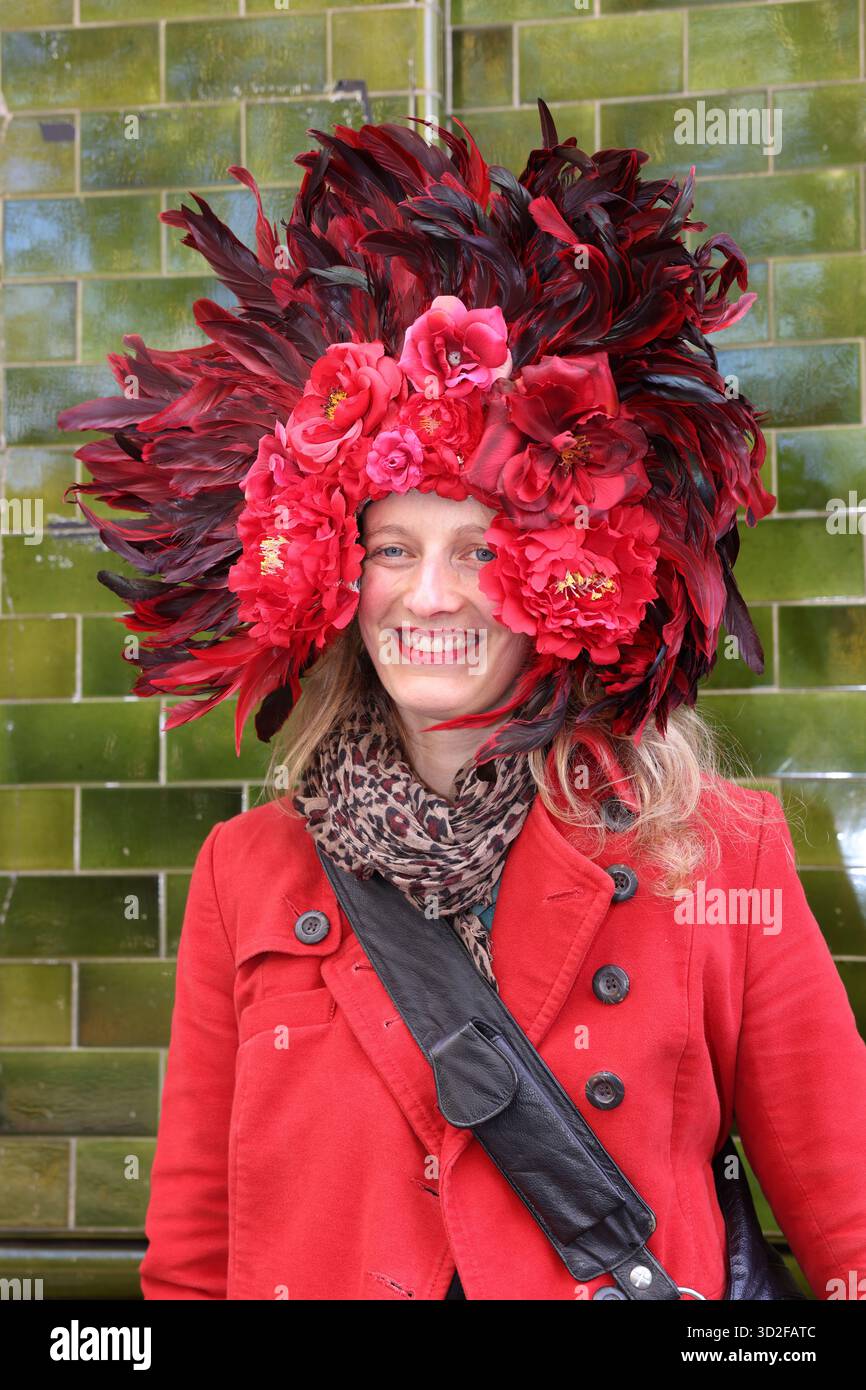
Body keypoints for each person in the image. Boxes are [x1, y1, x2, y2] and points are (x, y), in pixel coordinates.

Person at [57, 102, 866, 1301]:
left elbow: (848, 1234)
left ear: (564, 564)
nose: (427, 595)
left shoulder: (715, 852)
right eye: (391, 547)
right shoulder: (249, 871)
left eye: (480, 548)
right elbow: (191, 1269)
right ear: (333, 563)